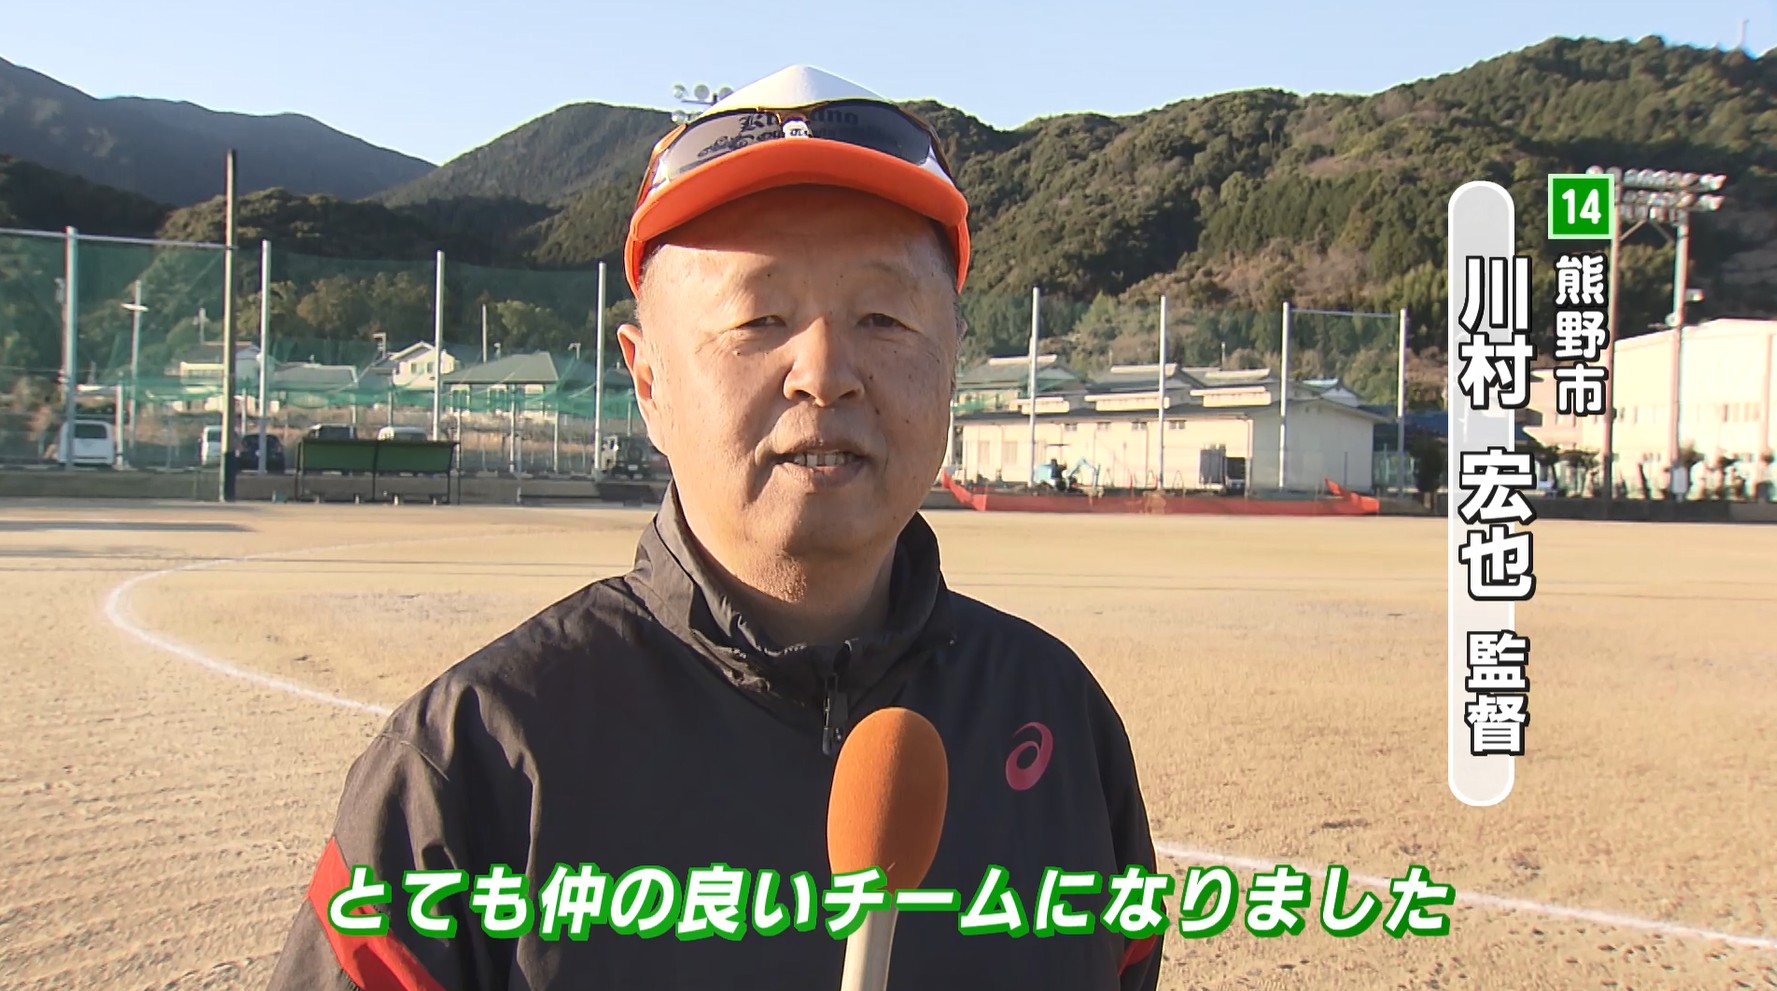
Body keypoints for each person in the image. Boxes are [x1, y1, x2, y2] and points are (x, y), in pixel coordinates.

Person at [268, 65, 1163, 991]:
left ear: (951, 366)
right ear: (648, 381)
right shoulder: (474, 764)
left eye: (884, 316)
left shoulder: (1059, 720)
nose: (824, 371)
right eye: (759, 317)